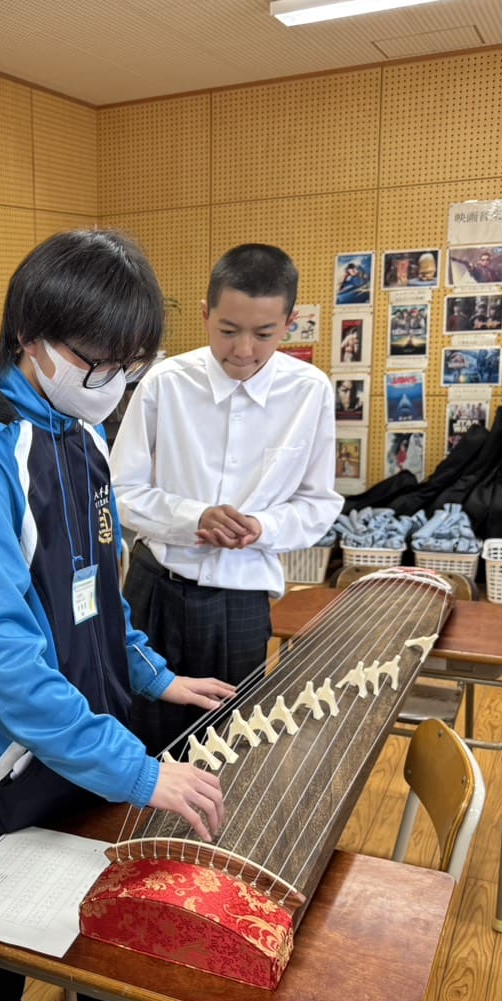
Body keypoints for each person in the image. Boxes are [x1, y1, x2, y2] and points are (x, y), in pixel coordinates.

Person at [0, 229, 234, 1001]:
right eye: (98, 363)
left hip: (84, 740)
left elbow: (97, 599)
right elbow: (0, 652)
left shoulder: (82, 441)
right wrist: (135, 769)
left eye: (130, 365)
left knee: (103, 922)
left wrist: (152, 675)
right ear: (31, 337)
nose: (112, 384)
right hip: (0, 762)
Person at [114, 244, 342, 751]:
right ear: (205, 314)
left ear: (290, 323)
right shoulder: (166, 383)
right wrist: (192, 518)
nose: (243, 350)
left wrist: (262, 528)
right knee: (142, 739)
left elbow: (319, 503)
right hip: (156, 589)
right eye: (228, 330)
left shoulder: (310, 391)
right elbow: (120, 490)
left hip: (241, 598)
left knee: (231, 746)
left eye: (263, 334)